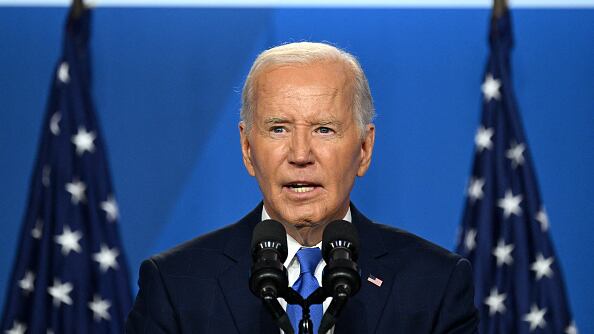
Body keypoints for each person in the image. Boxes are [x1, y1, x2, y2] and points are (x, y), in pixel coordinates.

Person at [125, 42, 479, 333]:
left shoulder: (435, 285)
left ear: (364, 149)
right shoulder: (176, 285)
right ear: (248, 149)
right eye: (278, 128)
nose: (300, 154)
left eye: (324, 129)